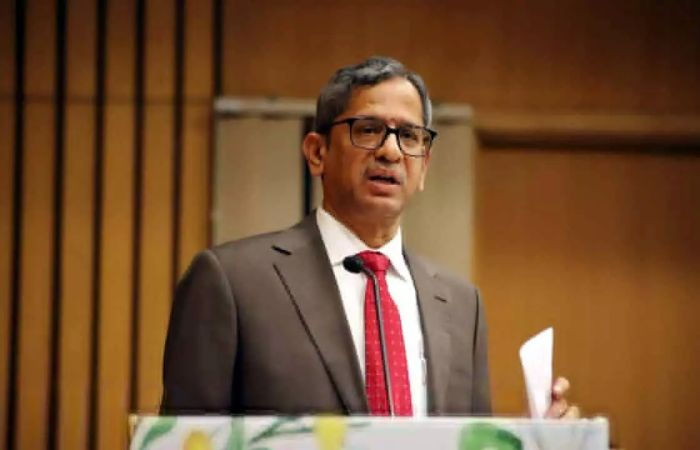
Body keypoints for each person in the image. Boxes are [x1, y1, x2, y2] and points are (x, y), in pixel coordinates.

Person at [161, 56, 577, 418]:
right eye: (368, 129)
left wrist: (533, 439)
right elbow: (186, 439)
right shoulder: (232, 282)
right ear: (317, 153)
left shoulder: (461, 305)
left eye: (409, 136)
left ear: (424, 166)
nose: (391, 152)